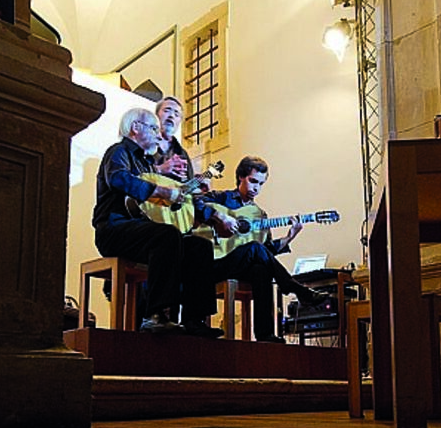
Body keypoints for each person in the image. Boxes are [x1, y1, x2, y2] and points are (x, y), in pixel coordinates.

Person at [92, 107, 222, 338]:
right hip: (113, 229)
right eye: (153, 128)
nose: (158, 134)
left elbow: (159, 203)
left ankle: (194, 319)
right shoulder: (118, 152)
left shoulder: (147, 166)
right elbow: (119, 179)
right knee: (167, 235)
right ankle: (156, 316)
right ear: (135, 128)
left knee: (199, 245)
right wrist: (160, 190)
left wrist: (186, 196)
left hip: (140, 230)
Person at [196, 156, 326, 343]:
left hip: (242, 265)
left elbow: (266, 252)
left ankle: (265, 335)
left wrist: (290, 236)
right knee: (255, 250)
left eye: (261, 184)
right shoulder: (221, 198)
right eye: (253, 181)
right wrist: (221, 217)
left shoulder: (259, 215)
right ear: (241, 176)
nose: (256, 188)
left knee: (262, 268)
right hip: (214, 261)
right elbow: (194, 202)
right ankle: (295, 288)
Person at [152, 96, 191, 181]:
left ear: (179, 122)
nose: (171, 116)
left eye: (176, 114)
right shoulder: (144, 144)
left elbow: (187, 187)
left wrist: (199, 185)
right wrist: (159, 169)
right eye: (167, 111)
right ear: (156, 115)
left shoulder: (182, 154)